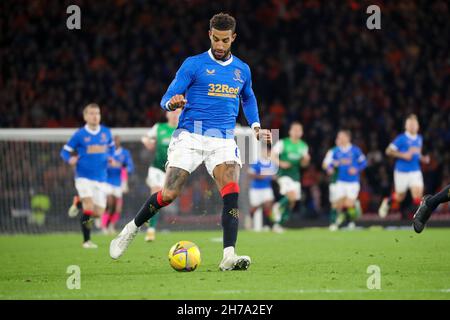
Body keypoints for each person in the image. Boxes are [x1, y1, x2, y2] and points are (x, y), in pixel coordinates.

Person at [110, 13, 272, 271]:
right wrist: (171, 102)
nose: (220, 45)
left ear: (234, 38)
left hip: (223, 139)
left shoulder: (242, 69)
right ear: (209, 35)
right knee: (169, 194)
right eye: (216, 39)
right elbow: (169, 94)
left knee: (231, 190)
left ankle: (229, 255)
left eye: (225, 40)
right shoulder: (193, 65)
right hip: (190, 135)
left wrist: (255, 125)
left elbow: (248, 98)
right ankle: (131, 228)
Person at [60, 103, 115, 248]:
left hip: (101, 178)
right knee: (89, 207)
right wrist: (69, 159)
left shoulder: (106, 132)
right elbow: (64, 151)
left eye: (97, 113)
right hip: (83, 176)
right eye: (91, 113)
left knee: (98, 213)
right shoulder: (79, 134)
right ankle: (87, 241)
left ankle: (78, 203)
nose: (95, 116)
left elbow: (111, 148)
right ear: (85, 116)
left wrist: (110, 156)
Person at [378, 114, 430, 219]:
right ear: (406, 126)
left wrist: (423, 158)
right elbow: (388, 151)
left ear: (418, 126)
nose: (412, 126)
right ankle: (387, 201)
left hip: (415, 170)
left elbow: (416, 153)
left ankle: (418, 218)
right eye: (410, 124)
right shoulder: (401, 138)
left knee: (418, 195)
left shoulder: (419, 138)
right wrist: (403, 155)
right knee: (400, 196)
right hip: (401, 171)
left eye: (414, 124)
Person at [141, 109, 181, 241]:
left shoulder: (184, 130)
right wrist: (147, 141)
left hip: (173, 171)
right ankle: (151, 229)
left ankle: (150, 219)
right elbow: (146, 137)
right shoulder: (159, 128)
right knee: (156, 192)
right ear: (167, 114)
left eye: (178, 112)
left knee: (164, 200)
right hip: (157, 169)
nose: (175, 114)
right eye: (173, 111)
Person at [271, 122, 310, 228]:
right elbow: (272, 156)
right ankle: (277, 206)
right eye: (295, 130)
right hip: (284, 175)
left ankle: (278, 224)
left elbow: (303, 164)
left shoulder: (303, 146)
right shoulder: (283, 143)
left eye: (299, 130)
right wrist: (281, 163)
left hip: (295, 176)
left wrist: (306, 160)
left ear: (301, 133)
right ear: (290, 131)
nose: (297, 132)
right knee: (291, 196)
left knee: (292, 202)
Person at [327, 130, 367, 229]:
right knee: (338, 204)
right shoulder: (336, 151)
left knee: (348, 204)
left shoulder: (355, 150)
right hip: (340, 181)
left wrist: (356, 169)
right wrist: (330, 169)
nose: (339, 139)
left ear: (347, 138)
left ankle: (352, 218)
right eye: (338, 137)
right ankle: (344, 221)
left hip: (353, 182)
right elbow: (330, 164)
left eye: (341, 137)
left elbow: (364, 162)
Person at [101, 136, 134, 234]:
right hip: (107, 182)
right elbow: (101, 165)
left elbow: (130, 167)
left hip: (119, 183)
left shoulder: (125, 153)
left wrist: (121, 167)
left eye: (117, 141)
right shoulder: (106, 153)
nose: (115, 143)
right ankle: (104, 226)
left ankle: (111, 225)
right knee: (110, 203)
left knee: (117, 208)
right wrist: (109, 165)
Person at [247, 143, 279, 232]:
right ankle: (249, 218)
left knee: (268, 204)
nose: (265, 152)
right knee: (256, 206)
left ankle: (268, 225)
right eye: (263, 150)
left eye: (266, 151)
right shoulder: (256, 163)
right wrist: (259, 176)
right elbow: (250, 173)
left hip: (266, 188)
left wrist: (274, 177)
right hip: (256, 188)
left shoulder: (272, 164)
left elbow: (274, 175)